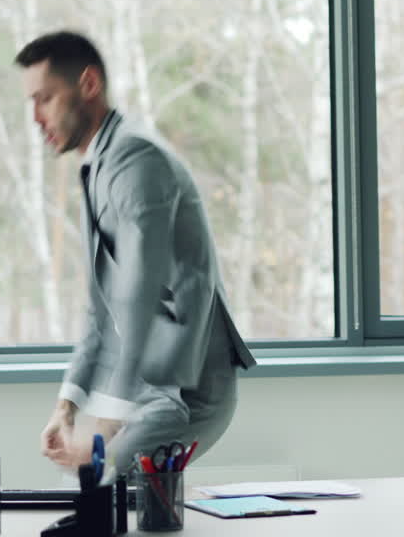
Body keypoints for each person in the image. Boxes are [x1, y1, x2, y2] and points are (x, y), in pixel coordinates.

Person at [15, 30, 256, 474]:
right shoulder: (101, 166)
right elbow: (101, 309)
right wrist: (68, 405)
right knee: (98, 500)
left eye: (45, 98)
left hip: (182, 395)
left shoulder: (135, 160)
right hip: (148, 390)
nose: (35, 117)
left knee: (104, 491)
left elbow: (140, 302)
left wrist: (105, 427)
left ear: (88, 85)